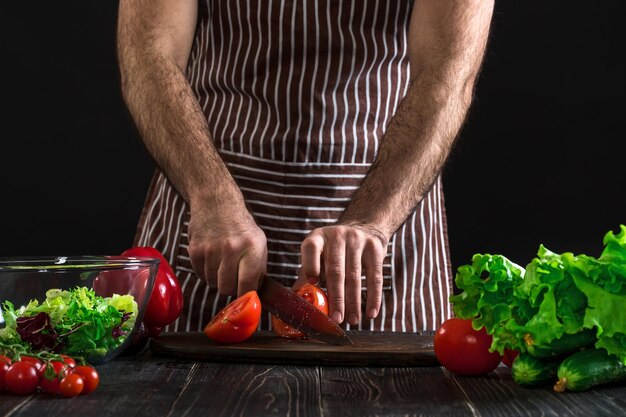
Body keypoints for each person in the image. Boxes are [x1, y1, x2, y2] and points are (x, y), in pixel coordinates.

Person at [117, 0, 494, 333]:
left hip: (386, 221)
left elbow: (449, 70)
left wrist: (372, 221)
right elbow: (149, 52)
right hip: (206, 211)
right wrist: (211, 196)